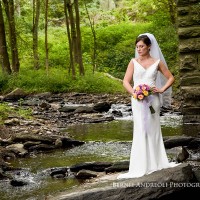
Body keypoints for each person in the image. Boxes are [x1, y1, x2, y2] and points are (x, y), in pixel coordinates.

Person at [117, 33, 179, 179]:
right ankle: (141, 164)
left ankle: (156, 163)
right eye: (137, 46)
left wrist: (162, 89)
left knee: (153, 129)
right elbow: (125, 81)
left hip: (153, 99)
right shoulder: (133, 62)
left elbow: (171, 78)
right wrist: (134, 92)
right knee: (140, 129)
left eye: (142, 46)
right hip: (137, 100)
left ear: (149, 47)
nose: (139, 49)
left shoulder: (157, 62)